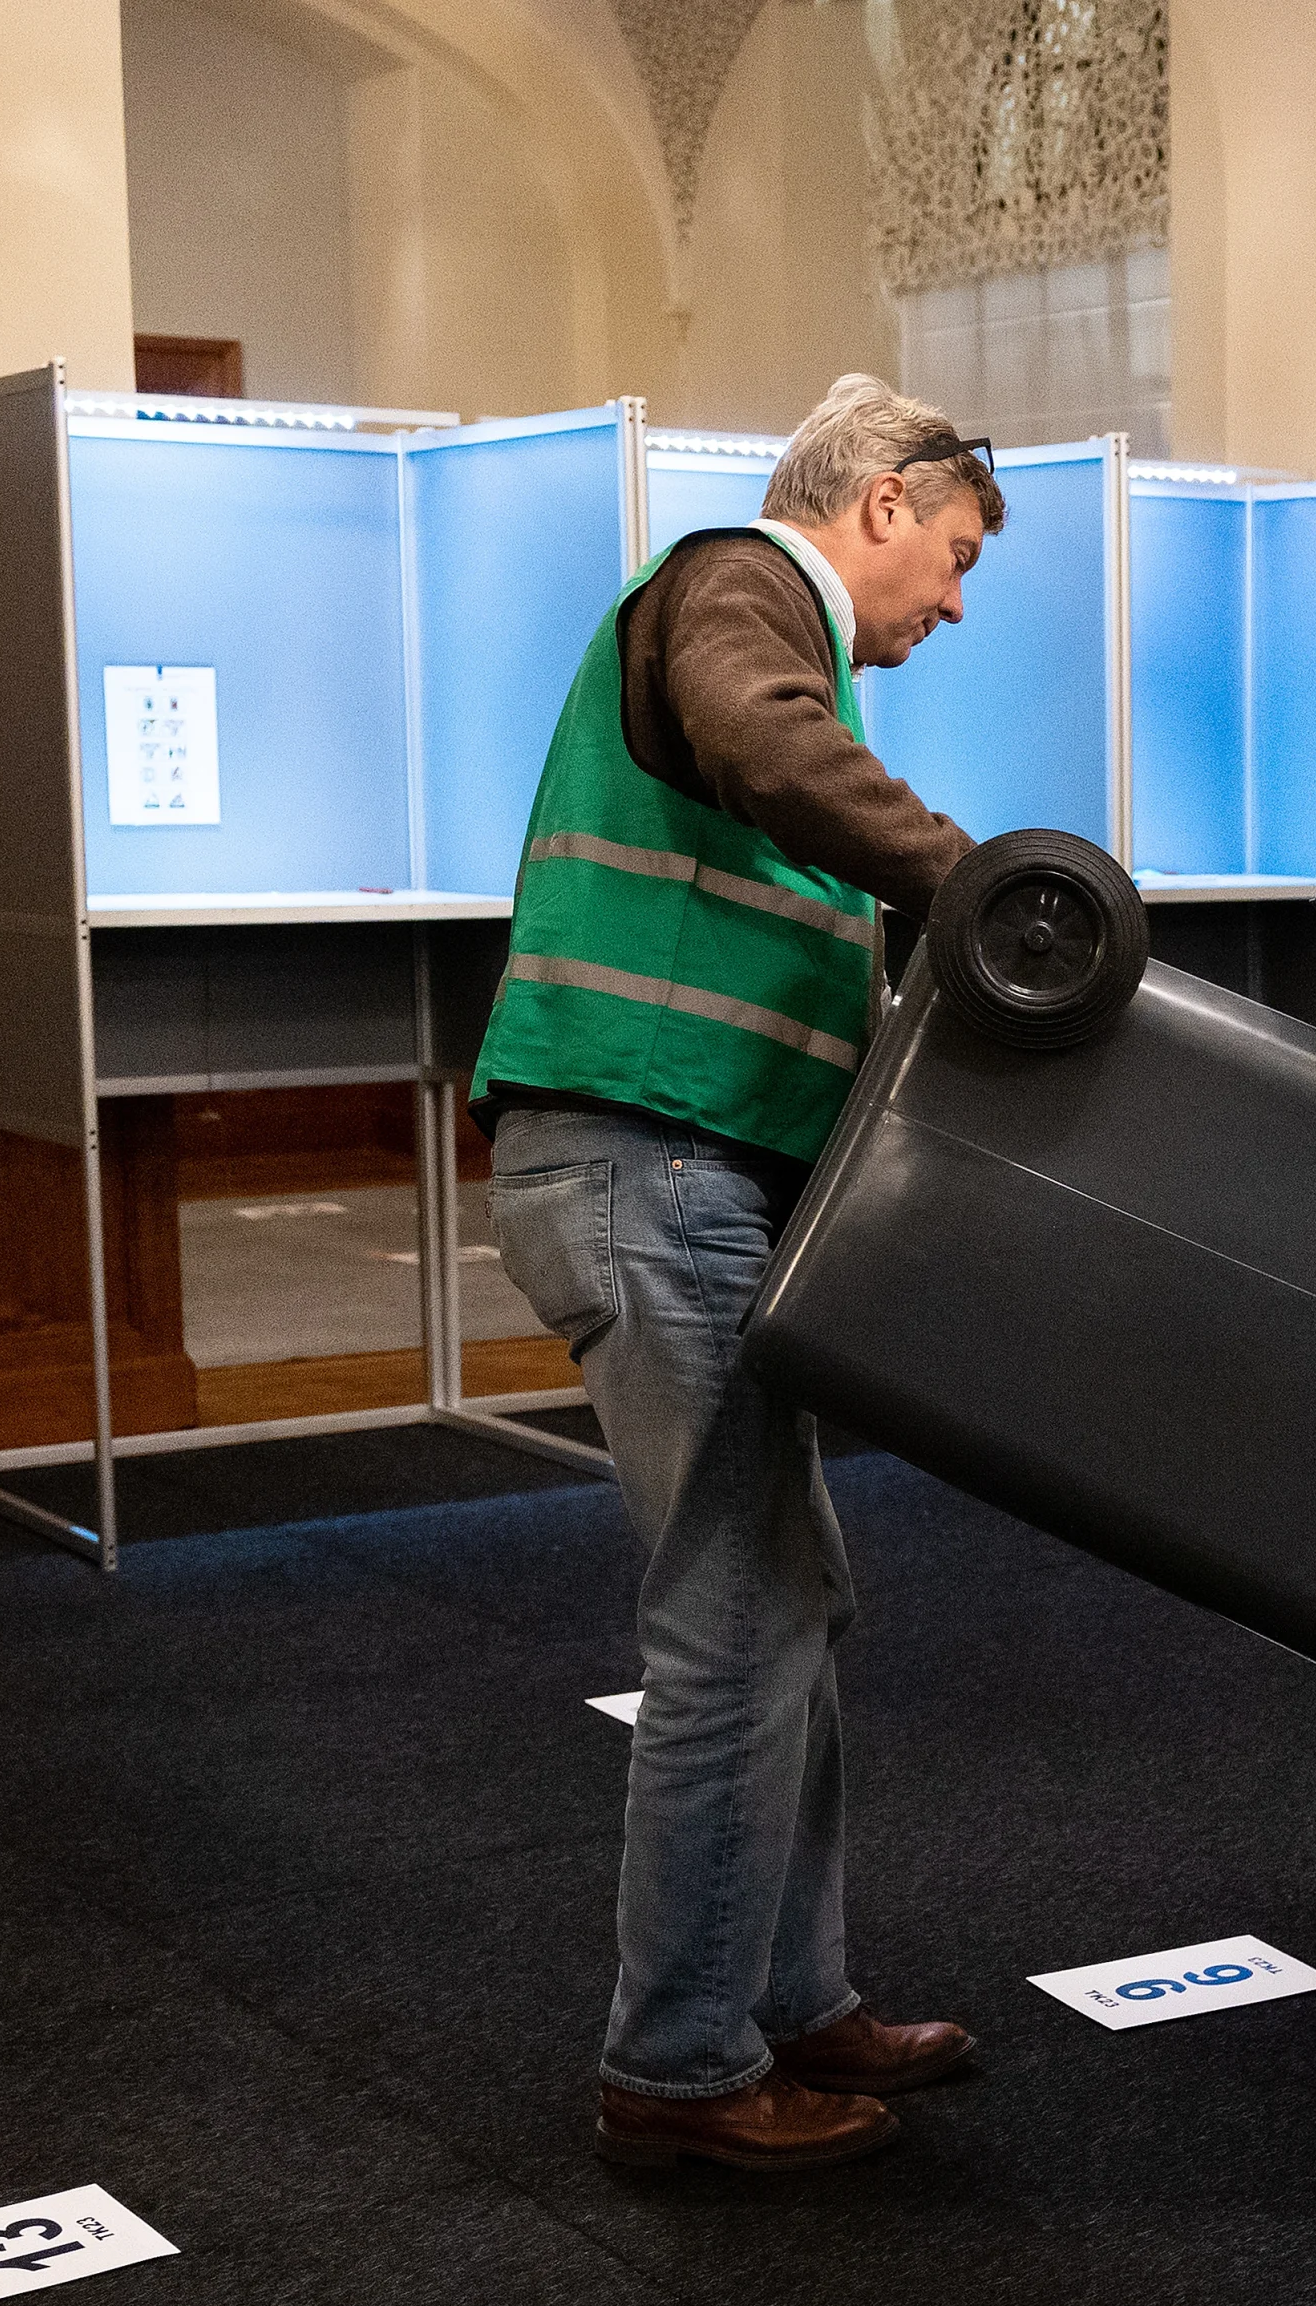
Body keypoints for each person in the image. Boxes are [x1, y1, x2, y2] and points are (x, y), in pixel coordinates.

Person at [472, 373, 1004, 2167]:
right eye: (952, 554)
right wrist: (972, 882)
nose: (953, 601)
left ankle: (797, 2000)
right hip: (644, 1164)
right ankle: (680, 2066)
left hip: (693, 1176)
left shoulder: (797, 647)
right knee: (738, 1619)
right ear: (881, 499)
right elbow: (764, 746)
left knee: (794, 1607)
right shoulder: (736, 584)